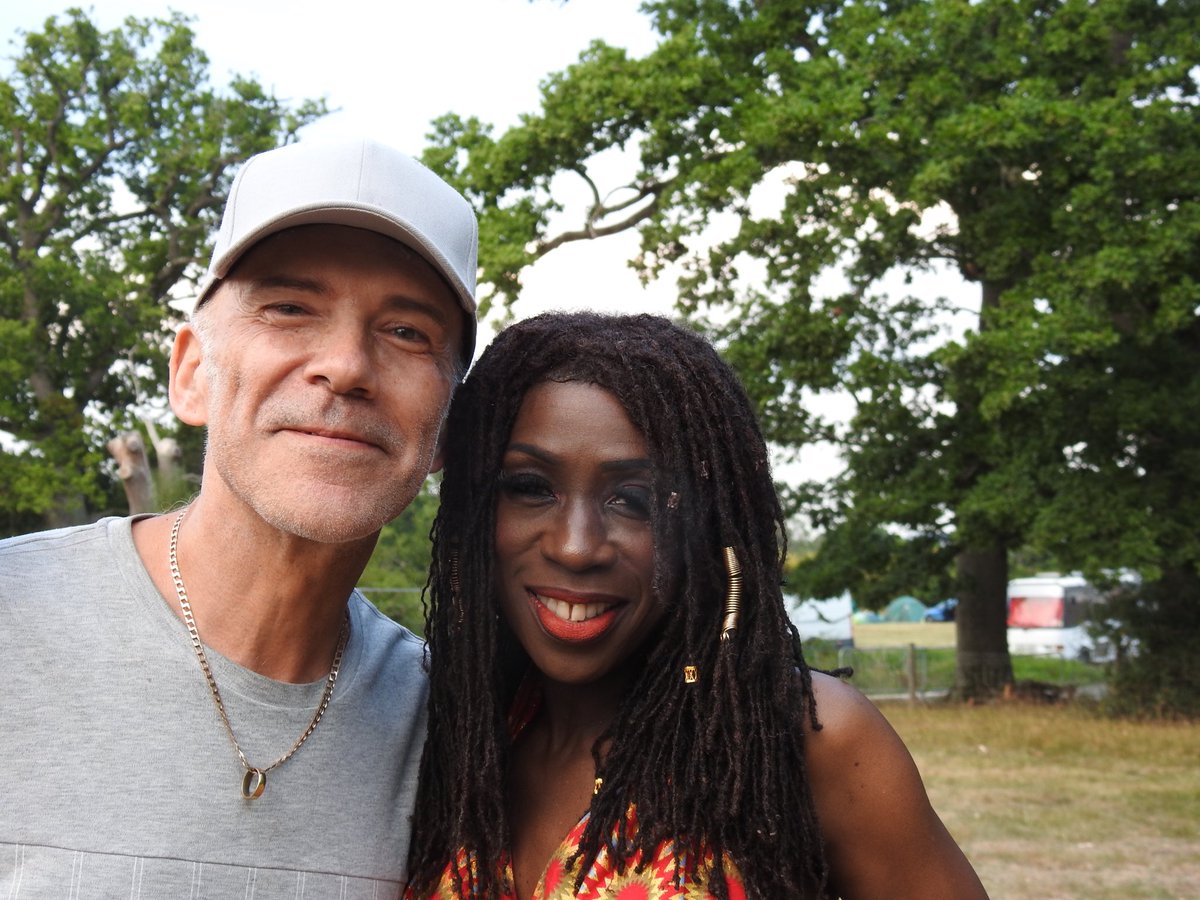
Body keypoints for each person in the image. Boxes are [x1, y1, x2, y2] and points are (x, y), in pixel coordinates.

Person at [0, 137, 478, 896]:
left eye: (407, 331)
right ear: (191, 373)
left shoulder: (454, 734)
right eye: (290, 309)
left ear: (451, 424)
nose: (347, 365)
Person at [403, 312, 989, 899]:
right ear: (473, 512)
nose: (576, 546)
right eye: (531, 487)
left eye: (635, 499)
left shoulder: (807, 739)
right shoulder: (441, 732)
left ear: (713, 534)